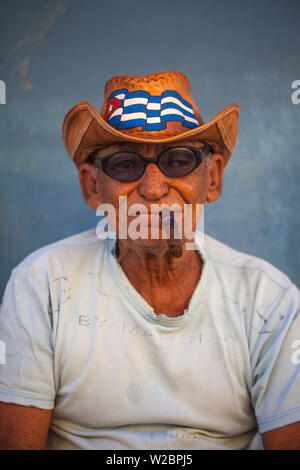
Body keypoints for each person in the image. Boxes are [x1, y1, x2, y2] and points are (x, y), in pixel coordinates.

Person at [0, 71, 299, 450]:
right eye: (125, 164)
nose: (153, 189)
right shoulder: (40, 284)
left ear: (213, 178)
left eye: (178, 160)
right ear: (93, 186)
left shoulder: (268, 300)